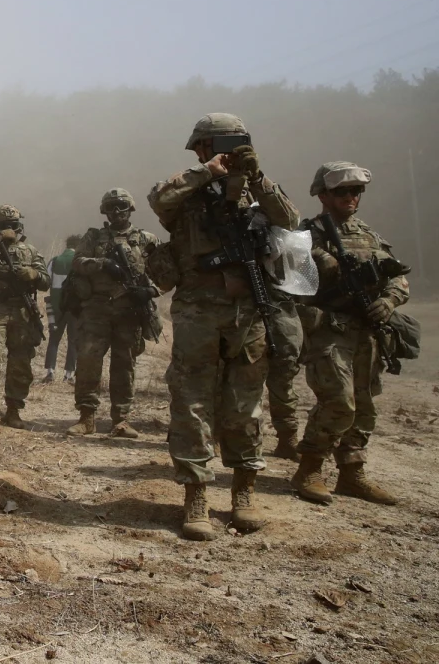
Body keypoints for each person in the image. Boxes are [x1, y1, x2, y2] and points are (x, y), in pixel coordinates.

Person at [148, 113, 299, 541]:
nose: (203, 153)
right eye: (203, 149)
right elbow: (159, 199)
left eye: (208, 147)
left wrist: (257, 175)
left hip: (248, 310)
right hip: (197, 307)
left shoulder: (256, 189)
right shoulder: (188, 189)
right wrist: (205, 173)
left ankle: (243, 493)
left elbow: (290, 220)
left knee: (244, 402)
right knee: (192, 400)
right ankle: (195, 494)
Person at [291, 162, 410, 506]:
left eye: (356, 191)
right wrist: (322, 260)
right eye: (342, 191)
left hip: (367, 332)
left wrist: (388, 301)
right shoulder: (307, 235)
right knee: (339, 402)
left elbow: (398, 278)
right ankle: (309, 469)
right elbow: (291, 277)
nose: (351, 197)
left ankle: (351, 474)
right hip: (329, 331)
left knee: (364, 406)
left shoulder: (369, 235)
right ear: (323, 195)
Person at [66, 189, 160, 439]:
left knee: (125, 365)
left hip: (129, 311)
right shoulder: (94, 237)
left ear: (130, 209)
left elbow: (165, 270)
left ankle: (121, 419)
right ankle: (87, 417)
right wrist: (102, 264)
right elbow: (76, 262)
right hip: (96, 308)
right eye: (111, 207)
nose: (116, 212)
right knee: (88, 361)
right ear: (104, 211)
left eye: (121, 206)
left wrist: (150, 290)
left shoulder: (146, 239)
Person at [0, 205, 50, 428]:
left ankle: (14, 410)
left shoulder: (30, 251)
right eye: (4, 226)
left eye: (13, 225)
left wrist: (32, 273)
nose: (10, 230)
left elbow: (45, 280)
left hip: (22, 311)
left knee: (20, 361)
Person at [263, 292, 305, 460]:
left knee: (284, 373)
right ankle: (219, 434)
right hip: (238, 302)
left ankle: (287, 437)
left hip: (281, 305)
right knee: (233, 370)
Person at [43, 235, 81, 384]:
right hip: (74, 308)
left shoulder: (54, 261)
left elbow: (46, 281)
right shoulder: (80, 263)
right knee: (73, 340)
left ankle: (50, 372)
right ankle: (68, 375)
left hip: (56, 306)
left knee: (54, 339)